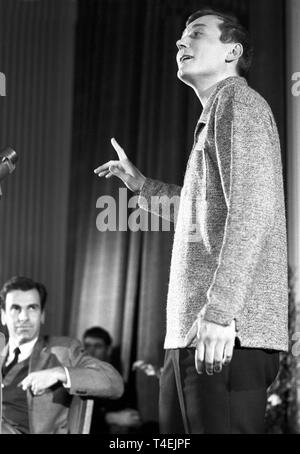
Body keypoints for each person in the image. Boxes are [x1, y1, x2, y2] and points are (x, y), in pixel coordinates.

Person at [94, 7, 288, 434]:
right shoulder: (217, 112)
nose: (181, 43)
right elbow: (200, 216)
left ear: (232, 51)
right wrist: (142, 186)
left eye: (196, 34)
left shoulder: (239, 102)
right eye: (180, 37)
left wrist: (219, 314)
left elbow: (252, 212)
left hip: (224, 334)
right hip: (194, 334)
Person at [0, 276, 124, 434]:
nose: (24, 317)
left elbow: (114, 382)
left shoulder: (64, 350)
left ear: (42, 315)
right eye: (16, 308)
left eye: (32, 308)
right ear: (3, 315)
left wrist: (60, 373)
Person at [83, 326, 142, 434]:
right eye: (87, 346)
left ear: (108, 350)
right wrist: (111, 418)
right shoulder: (75, 381)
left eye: (97, 346)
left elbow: (133, 418)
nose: (91, 351)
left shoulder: (123, 385)